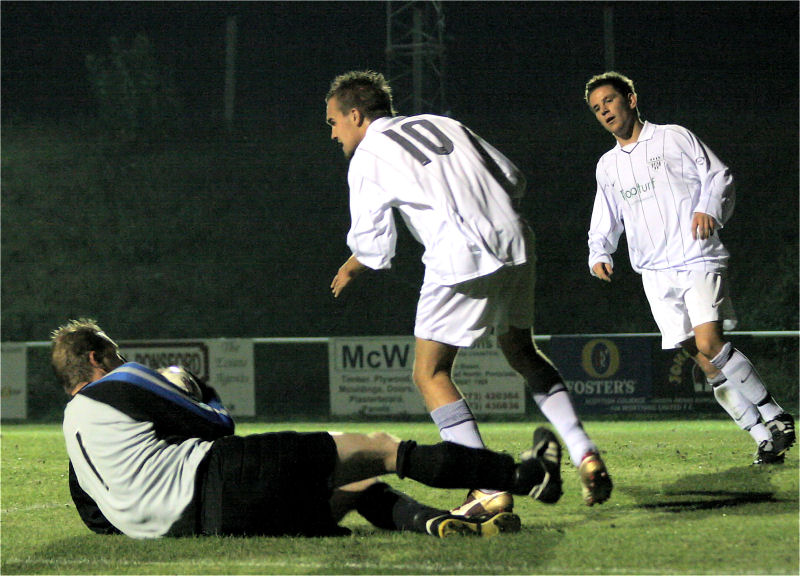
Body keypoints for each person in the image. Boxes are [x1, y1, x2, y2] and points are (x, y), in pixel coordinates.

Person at [325, 70, 612, 512]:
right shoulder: (441, 123)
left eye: (333, 122)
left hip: (459, 254)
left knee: (430, 374)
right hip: (515, 238)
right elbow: (513, 177)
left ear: (356, 115)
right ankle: (584, 452)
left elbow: (376, 244)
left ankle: (487, 486)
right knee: (521, 352)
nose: (333, 134)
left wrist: (352, 264)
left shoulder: (368, 155)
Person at [53, 318, 564, 540]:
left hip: (209, 525)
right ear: (98, 357)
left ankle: (434, 523)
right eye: (115, 353)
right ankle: (525, 476)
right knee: (380, 449)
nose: (122, 359)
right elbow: (219, 427)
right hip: (220, 479)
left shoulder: (72, 430)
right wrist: (200, 388)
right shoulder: (120, 380)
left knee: (359, 488)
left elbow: (97, 519)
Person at [584, 71, 795, 465]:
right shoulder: (608, 165)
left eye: (609, 101)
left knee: (709, 344)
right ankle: (762, 436)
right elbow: (605, 217)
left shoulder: (673, 137)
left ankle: (775, 414)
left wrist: (707, 208)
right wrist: (600, 252)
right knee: (703, 362)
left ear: (630, 99)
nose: (604, 111)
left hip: (695, 255)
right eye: (597, 109)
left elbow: (718, 175)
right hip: (653, 271)